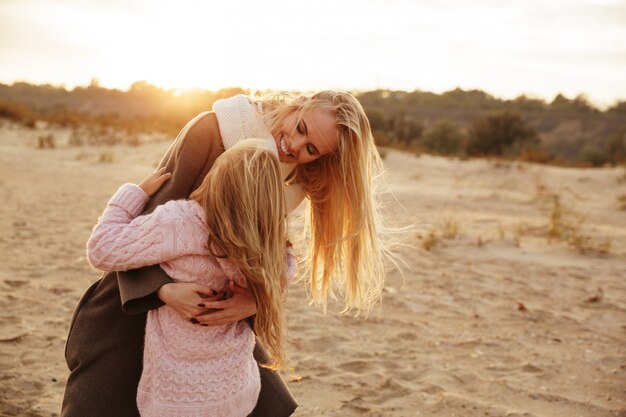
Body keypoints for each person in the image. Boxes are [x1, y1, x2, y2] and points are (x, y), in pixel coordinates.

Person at [61, 91, 389, 417]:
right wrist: (163, 291)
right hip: (138, 303)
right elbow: (142, 234)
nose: (294, 147)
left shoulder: (295, 182)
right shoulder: (212, 131)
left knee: (265, 405)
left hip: (211, 326)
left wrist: (255, 300)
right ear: (299, 104)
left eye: (312, 150)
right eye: (300, 128)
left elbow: (271, 255)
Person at [86, 140, 293, 417]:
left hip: (176, 391)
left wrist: (132, 194)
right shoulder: (266, 242)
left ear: (215, 179)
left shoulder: (179, 222)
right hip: (233, 388)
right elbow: (286, 270)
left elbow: (101, 249)